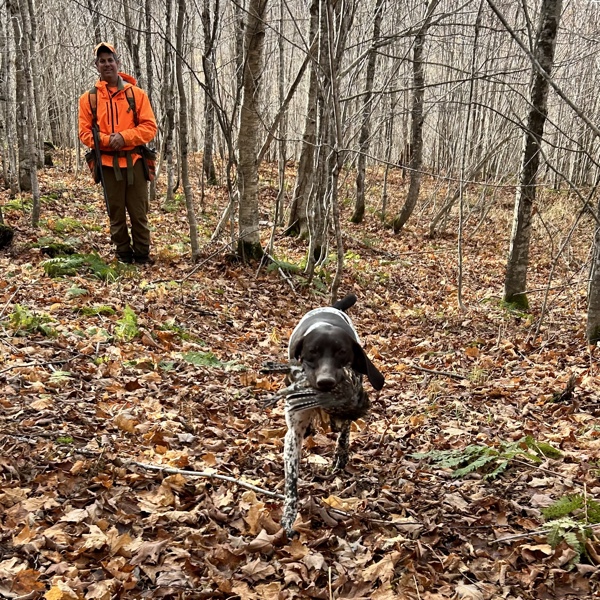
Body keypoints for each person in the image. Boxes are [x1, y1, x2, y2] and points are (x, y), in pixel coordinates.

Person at [78, 42, 157, 264]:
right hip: (107, 165)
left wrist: (124, 137)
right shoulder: (88, 99)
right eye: (102, 61)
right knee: (116, 215)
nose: (107, 64)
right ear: (97, 66)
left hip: (135, 162)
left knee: (139, 214)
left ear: (117, 62)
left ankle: (142, 256)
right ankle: (123, 255)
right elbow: (84, 133)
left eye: (110, 59)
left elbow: (150, 128)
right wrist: (106, 141)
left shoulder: (137, 95)